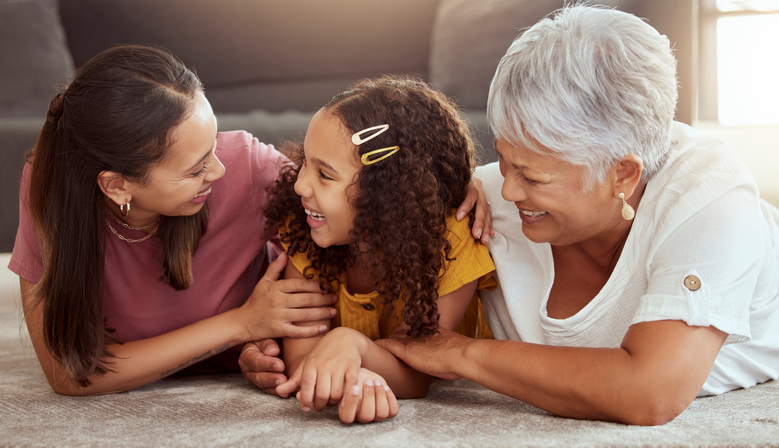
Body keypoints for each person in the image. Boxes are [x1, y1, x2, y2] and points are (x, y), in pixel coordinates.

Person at [375, 5, 779, 425]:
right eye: (502, 161)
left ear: (622, 173)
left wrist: (461, 353)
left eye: (532, 177)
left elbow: (649, 391)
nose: (507, 189)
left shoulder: (712, 197)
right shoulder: (483, 200)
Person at [8, 45, 341, 395]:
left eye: (214, 143)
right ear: (117, 186)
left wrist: (275, 343)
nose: (219, 169)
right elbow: (69, 372)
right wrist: (242, 325)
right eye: (196, 169)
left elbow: (350, 225)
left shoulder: (247, 165)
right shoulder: (50, 182)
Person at [260, 76, 496, 423]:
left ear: (388, 194)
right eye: (305, 163)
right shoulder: (307, 227)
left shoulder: (452, 241)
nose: (300, 185)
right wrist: (353, 376)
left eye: (324, 174)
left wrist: (350, 346)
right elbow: (302, 358)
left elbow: (417, 373)